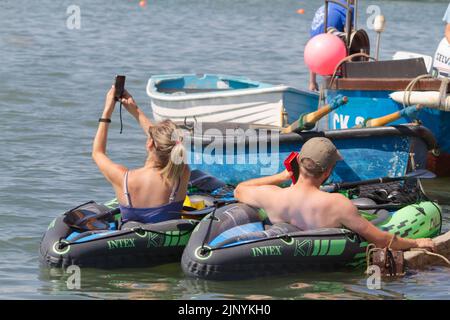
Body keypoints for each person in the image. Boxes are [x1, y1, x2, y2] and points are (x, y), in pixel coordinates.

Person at [234, 137, 435, 251]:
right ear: (328, 172)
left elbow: (239, 190)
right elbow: (381, 240)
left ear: (298, 163)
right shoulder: (337, 204)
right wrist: (417, 242)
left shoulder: (273, 196)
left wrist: (279, 177)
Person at [92, 86, 190, 225]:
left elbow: (97, 153)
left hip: (132, 244)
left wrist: (108, 110)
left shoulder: (123, 179)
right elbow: (163, 141)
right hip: (171, 244)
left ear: (150, 143)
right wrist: (135, 111)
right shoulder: (181, 175)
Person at [308, 0, 354, 91]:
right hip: (328, 52)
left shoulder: (323, 7)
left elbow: (314, 39)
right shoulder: (347, 8)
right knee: (351, 42)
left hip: (312, 52)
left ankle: (312, 85)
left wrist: (312, 81)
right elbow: (349, 35)